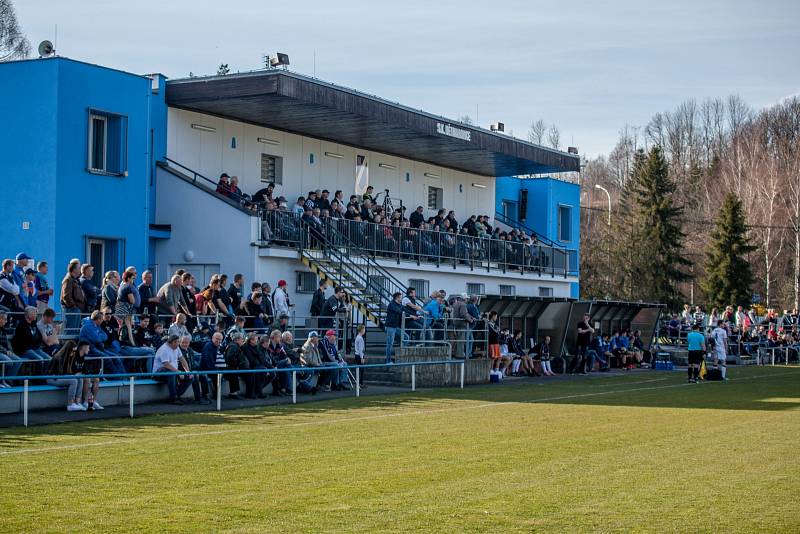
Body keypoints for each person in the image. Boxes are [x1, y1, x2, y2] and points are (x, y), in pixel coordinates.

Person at [47, 340, 90, 411]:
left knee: (80, 378)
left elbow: (67, 373)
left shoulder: (70, 357)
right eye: (73, 350)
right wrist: (73, 375)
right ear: (68, 349)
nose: (74, 352)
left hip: (59, 377)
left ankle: (77, 402)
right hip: (52, 378)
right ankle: (70, 404)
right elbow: (59, 373)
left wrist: (75, 374)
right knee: (73, 381)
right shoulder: (59, 357)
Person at [152, 334, 193, 404]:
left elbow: (182, 359)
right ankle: (173, 398)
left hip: (172, 371)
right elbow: (166, 364)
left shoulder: (176, 347)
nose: (179, 344)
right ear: (173, 342)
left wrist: (187, 371)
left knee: (190, 377)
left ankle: (176, 396)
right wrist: (178, 372)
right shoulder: (164, 349)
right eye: (178, 342)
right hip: (158, 374)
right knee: (171, 373)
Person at [11, 306, 51, 374]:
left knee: (49, 359)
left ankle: (45, 377)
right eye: (35, 313)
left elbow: (39, 337)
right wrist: (34, 339)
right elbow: (25, 341)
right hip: (24, 350)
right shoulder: (21, 326)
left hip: (35, 348)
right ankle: (37, 380)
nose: (36, 315)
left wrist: (35, 342)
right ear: (29, 315)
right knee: (39, 360)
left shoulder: (33, 324)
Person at [224, 332, 248, 399]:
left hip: (232, 367)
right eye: (241, 339)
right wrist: (238, 364)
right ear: (237, 339)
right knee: (233, 373)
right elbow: (230, 358)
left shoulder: (234, 346)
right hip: (230, 368)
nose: (242, 341)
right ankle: (233, 393)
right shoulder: (233, 346)